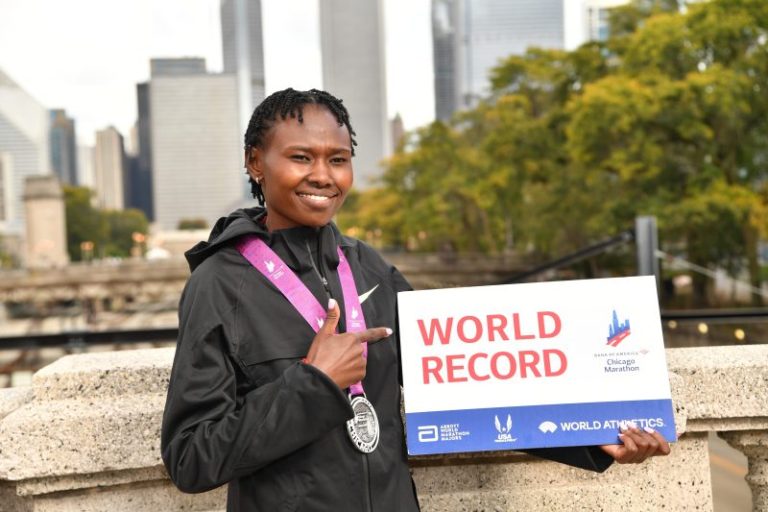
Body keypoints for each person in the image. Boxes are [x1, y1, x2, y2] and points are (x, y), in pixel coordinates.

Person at [161, 88, 670, 511]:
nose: (323, 175)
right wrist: (312, 384)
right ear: (255, 162)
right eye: (300, 157)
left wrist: (592, 437)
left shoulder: (369, 268)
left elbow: (463, 386)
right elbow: (190, 457)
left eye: (338, 160)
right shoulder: (219, 283)